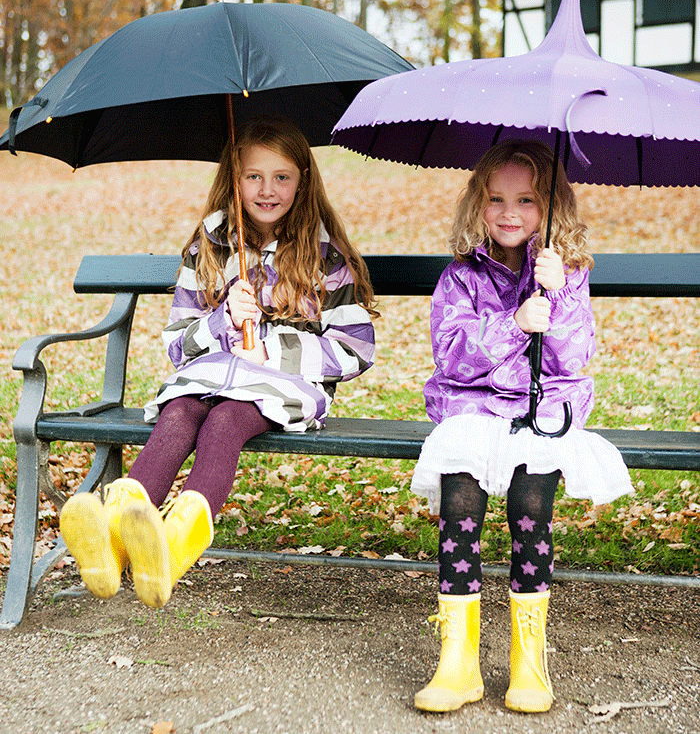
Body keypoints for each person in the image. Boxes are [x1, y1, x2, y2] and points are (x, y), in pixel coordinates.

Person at [60, 117, 377, 610]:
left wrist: (272, 348)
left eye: (282, 176)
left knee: (225, 422)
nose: (267, 189)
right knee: (179, 412)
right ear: (233, 177)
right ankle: (114, 535)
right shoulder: (208, 243)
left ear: (303, 181)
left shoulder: (324, 255)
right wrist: (220, 320)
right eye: (253, 176)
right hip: (205, 375)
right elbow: (176, 343)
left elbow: (357, 348)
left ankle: (175, 547)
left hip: (279, 389)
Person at [411, 139, 632, 715]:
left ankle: (527, 658)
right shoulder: (460, 277)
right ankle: (457, 660)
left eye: (528, 201)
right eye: (496, 199)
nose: (510, 213)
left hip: (543, 411)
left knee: (531, 501)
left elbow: (572, 358)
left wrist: (554, 299)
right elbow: (452, 356)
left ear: (552, 208)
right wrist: (513, 324)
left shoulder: (568, 275)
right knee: (460, 498)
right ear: (476, 204)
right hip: (472, 408)